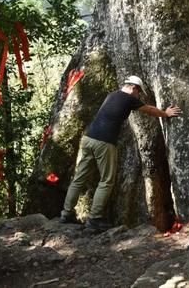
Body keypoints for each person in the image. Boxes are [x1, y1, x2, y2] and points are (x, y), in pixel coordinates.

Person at [59, 75, 182, 231]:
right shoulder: (129, 99)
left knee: (79, 178)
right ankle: (94, 218)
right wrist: (165, 113)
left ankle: (66, 213)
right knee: (106, 181)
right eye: (139, 92)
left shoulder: (112, 95)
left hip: (88, 138)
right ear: (134, 88)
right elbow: (148, 110)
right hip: (104, 142)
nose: (138, 96)